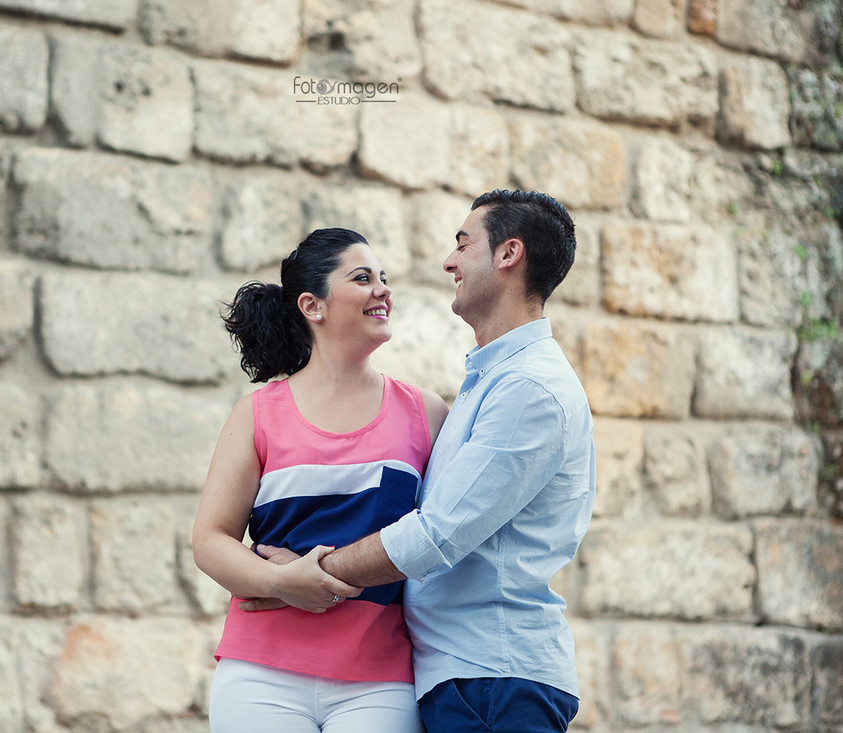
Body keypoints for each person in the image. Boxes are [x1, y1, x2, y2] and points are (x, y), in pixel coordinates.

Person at [249, 190, 596, 733]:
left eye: (463, 245)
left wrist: (307, 574)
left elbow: (436, 534)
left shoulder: (529, 388)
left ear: (509, 255)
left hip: (494, 683)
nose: (449, 262)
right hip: (464, 681)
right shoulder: (488, 383)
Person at [193, 227, 449, 733]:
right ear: (313, 306)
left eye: (384, 278)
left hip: (382, 680)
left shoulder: (428, 414)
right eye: (362, 278)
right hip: (260, 677)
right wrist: (281, 583)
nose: (383, 290)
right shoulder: (257, 414)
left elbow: (443, 536)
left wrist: (324, 572)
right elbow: (209, 540)